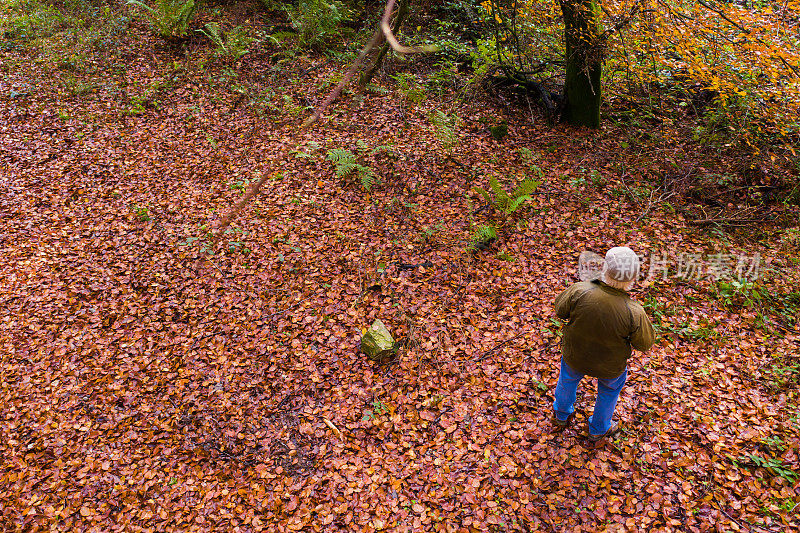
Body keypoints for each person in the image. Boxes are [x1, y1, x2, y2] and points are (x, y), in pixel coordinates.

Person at [551, 246, 655, 441]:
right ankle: (598, 429)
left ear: (605, 269)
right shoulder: (634, 311)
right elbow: (644, 344)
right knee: (608, 392)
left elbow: (560, 310)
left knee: (567, 381)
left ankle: (561, 415)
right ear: (633, 278)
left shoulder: (581, 290)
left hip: (575, 354)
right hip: (610, 366)